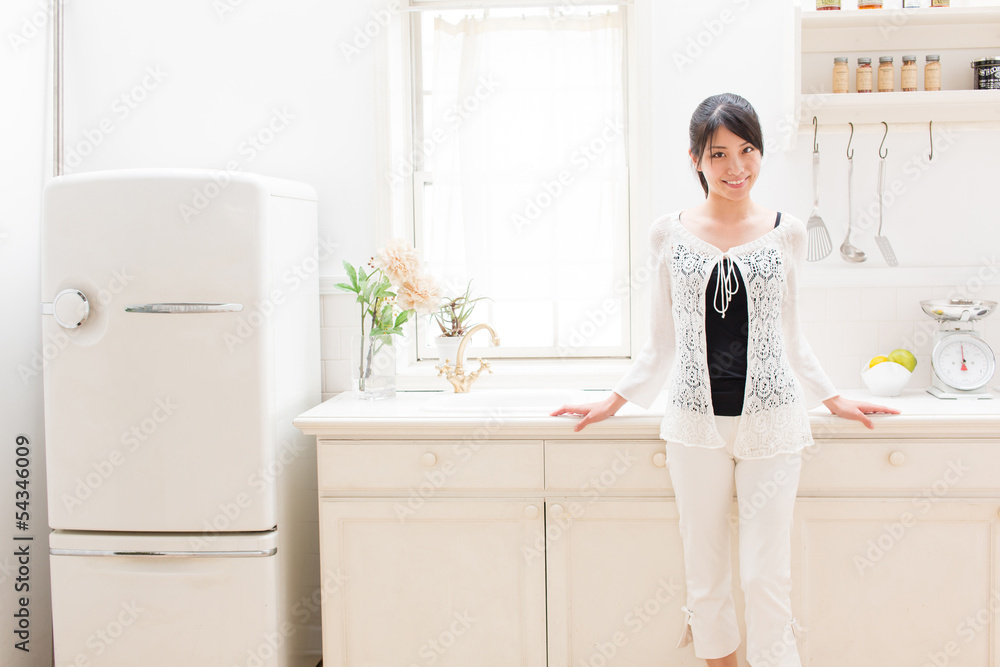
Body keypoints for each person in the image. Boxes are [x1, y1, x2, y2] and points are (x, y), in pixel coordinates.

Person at [550, 93, 900, 667]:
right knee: (704, 574)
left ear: (759, 152)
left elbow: (791, 334)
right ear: (696, 159)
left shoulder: (786, 233)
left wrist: (832, 398)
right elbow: (661, 341)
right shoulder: (669, 234)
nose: (737, 167)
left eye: (747, 150)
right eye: (720, 154)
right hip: (693, 425)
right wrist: (613, 401)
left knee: (766, 577)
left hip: (774, 422)